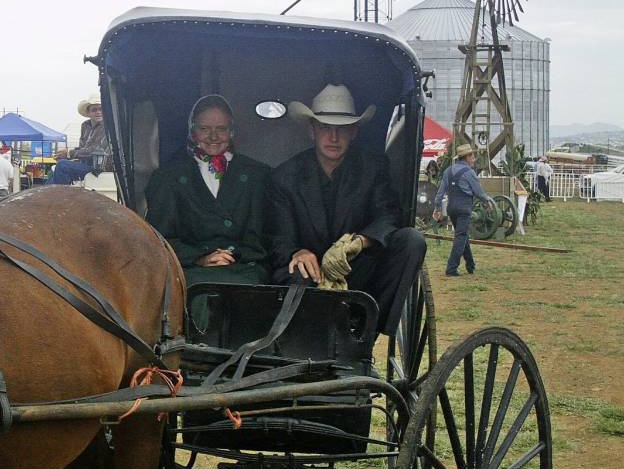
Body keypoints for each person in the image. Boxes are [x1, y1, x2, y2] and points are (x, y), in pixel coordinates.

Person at [266, 83, 426, 335]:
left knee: (412, 241)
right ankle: (304, 342)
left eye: (342, 129)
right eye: (325, 128)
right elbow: (277, 236)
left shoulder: (372, 168)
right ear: (312, 131)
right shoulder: (285, 177)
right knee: (298, 274)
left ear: (354, 132)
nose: (333, 137)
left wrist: (361, 241)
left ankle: (365, 335)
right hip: (310, 276)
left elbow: (388, 213)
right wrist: (298, 252)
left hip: (356, 268)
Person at [145, 94, 270, 287]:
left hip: (246, 268)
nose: (213, 136)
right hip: (193, 270)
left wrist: (234, 255)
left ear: (232, 132)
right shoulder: (167, 177)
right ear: (192, 132)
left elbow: (266, 234)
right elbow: (159, 237)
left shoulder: (258, 174)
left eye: (221, 129)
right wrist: (199, 258)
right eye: (204, 129)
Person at [432, 144, 494, 277]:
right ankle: (451, 268)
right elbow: (479, 192)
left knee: (462, 235)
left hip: (451, 208)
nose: (474, 159)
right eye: (472, 156)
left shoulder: (448, 171)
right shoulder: (469, 173)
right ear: (466, 157)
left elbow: (440, 193)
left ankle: (470, 265)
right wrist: (488, 201)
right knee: (460, 236)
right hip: (464, 208)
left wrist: (437, 209)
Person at [50, 93, 110, 185]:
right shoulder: (85, 125)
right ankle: (46, 194)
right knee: (53, 170)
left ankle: (60, 196)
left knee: (62, 165)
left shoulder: (107, 127)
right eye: (94, 110)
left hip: (99, 168)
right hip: (85, 164)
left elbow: (96, 150)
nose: (98, 112)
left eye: (101, 109)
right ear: (88, 113)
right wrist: (67, 154)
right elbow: (82, 148)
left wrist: (69, 153)